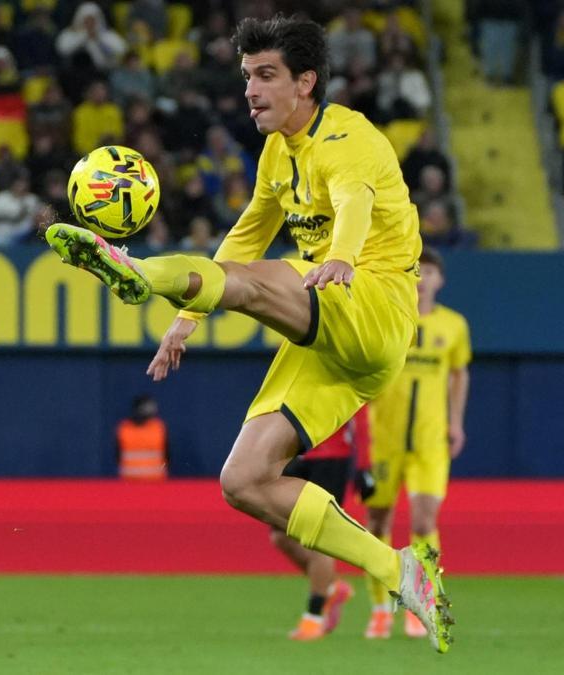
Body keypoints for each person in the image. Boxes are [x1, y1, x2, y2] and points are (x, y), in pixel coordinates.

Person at [44, 15, 453, 653]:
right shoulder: (275, 154)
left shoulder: (349, 135)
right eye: (246, 77)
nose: (251, 91)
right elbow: (247, 234)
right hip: (337, 342)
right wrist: (187, 318)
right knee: (243, 480)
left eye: (266, 76)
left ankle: (136, 272)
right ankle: (396, 569)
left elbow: (353, 200)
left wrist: (342, 255)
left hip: (371, 302)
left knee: (256, 283)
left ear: (305, 82)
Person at [363, 247, 471, 640]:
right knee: (377, 523)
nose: (424, 277)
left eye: (430, 271)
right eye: (417, 270)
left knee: (424, 523)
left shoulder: (454, 325)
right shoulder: (388, 318)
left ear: (440, 279)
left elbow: (459, 375)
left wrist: (455, 422)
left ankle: (420, 604)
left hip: (429, 440)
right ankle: (379, 608)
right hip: (382, 439)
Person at [271, 407, 373, 641]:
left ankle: (313, 618)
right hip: (298, 454)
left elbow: (361, 415)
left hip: (332, 458)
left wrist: (365, 465)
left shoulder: (344, 373)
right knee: (279, 534)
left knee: (319, 536)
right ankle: (331, 587)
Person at [116, 394, 168, 480]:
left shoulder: (158, 427)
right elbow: (118, 454)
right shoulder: (124, 428)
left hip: (155, 481)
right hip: (130, 481)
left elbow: (166, 453)